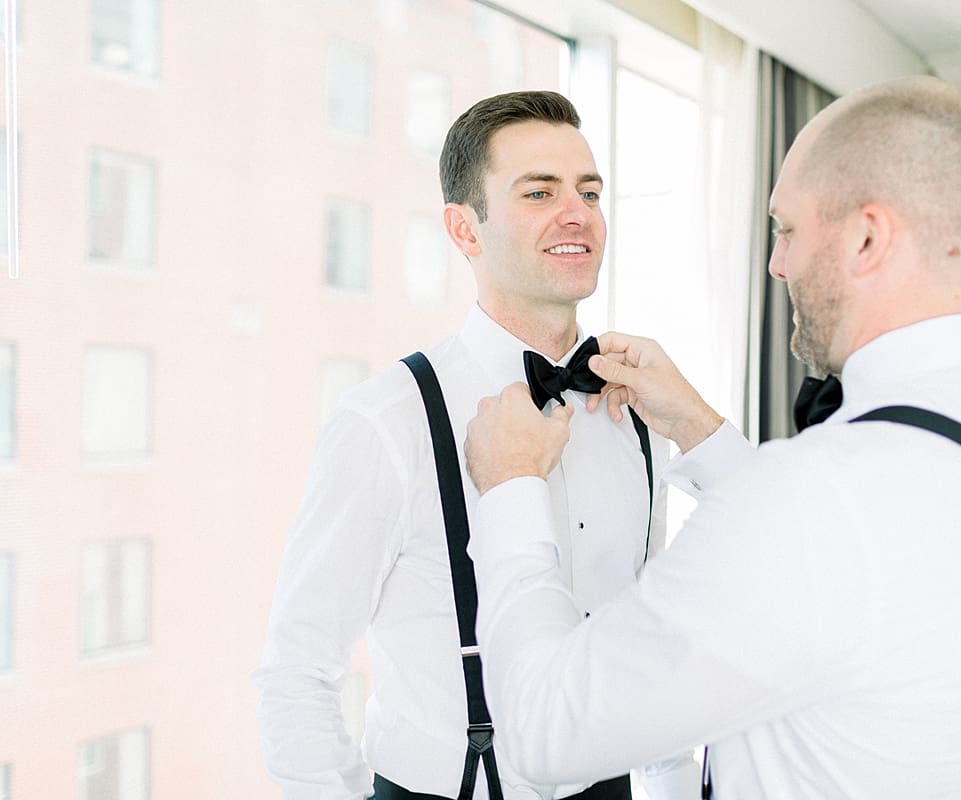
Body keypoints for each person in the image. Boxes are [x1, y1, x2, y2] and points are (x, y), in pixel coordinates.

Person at [461, 76, 961, 798]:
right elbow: (851, 577)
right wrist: (699, 429)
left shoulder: (814, 497)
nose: (777, 266)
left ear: (866, 239)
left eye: (787, 230)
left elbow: (546, 729)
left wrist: (512, 490)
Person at [253, 91, 698, 800]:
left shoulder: (638, 411)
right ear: (465, 230)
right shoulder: (388, 420)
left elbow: (650, 647)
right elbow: (297, 670)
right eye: (539, 192)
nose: (577, 213)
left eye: (588, 192)